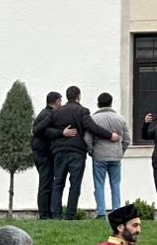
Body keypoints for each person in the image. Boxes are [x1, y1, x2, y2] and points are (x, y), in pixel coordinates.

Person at [41, 85, 121, 220]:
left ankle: (56, 214)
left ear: (66, 97)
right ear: (78, 96)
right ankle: (70, 215)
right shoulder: (82, 111)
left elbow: (44, 129)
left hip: (59, 152)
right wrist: (110, 135)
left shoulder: (56, 112)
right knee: (75, 184)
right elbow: (92, 127)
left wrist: (60, 133)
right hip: (77, 152)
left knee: (58, 182)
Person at [84, 92, 131, 219]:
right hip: (115, 156)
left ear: (98, 103)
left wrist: (92, 151)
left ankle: (101, 212)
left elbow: (87, 139)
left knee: (99, 184)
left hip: (99, 155)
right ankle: (117, 211)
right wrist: (120, 151)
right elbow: (127, 139)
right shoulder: (120, 119)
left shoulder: (94, 119)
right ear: (111, 103)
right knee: (115, 184)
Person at [32, 91, 62, 219]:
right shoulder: (48, 114)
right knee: (45, 183)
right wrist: (61, 133)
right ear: (56, 102)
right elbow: (39, 130)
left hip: (40, 153)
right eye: (60, 101)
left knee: (47, 182)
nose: (62, 104)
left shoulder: (44, 113)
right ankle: (44, 214)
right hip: (43, 153)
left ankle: (46, 213)